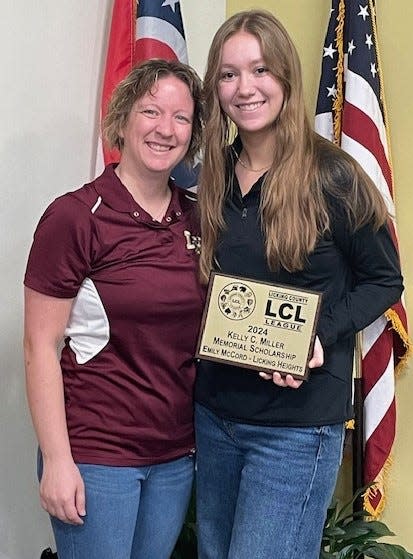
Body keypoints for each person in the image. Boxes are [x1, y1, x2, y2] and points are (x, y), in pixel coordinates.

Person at [195, 10, 404, 559]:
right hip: (215, 416)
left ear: (285, 76)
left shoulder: (334, 175)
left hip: (295, 431)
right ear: (215, 88)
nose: (245, 88)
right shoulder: (210, 176)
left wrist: (318, 331)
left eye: (259, 70)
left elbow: (385, 279)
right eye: (228, 74)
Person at [23, 59, 204, 559]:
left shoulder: (197, 218)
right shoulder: (76, 217)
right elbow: (40, 345)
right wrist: (59, 460)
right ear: (124, 117)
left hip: (173, 455)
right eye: (151, 111)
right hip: (96, 455)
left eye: (181, 117)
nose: (165, 129)